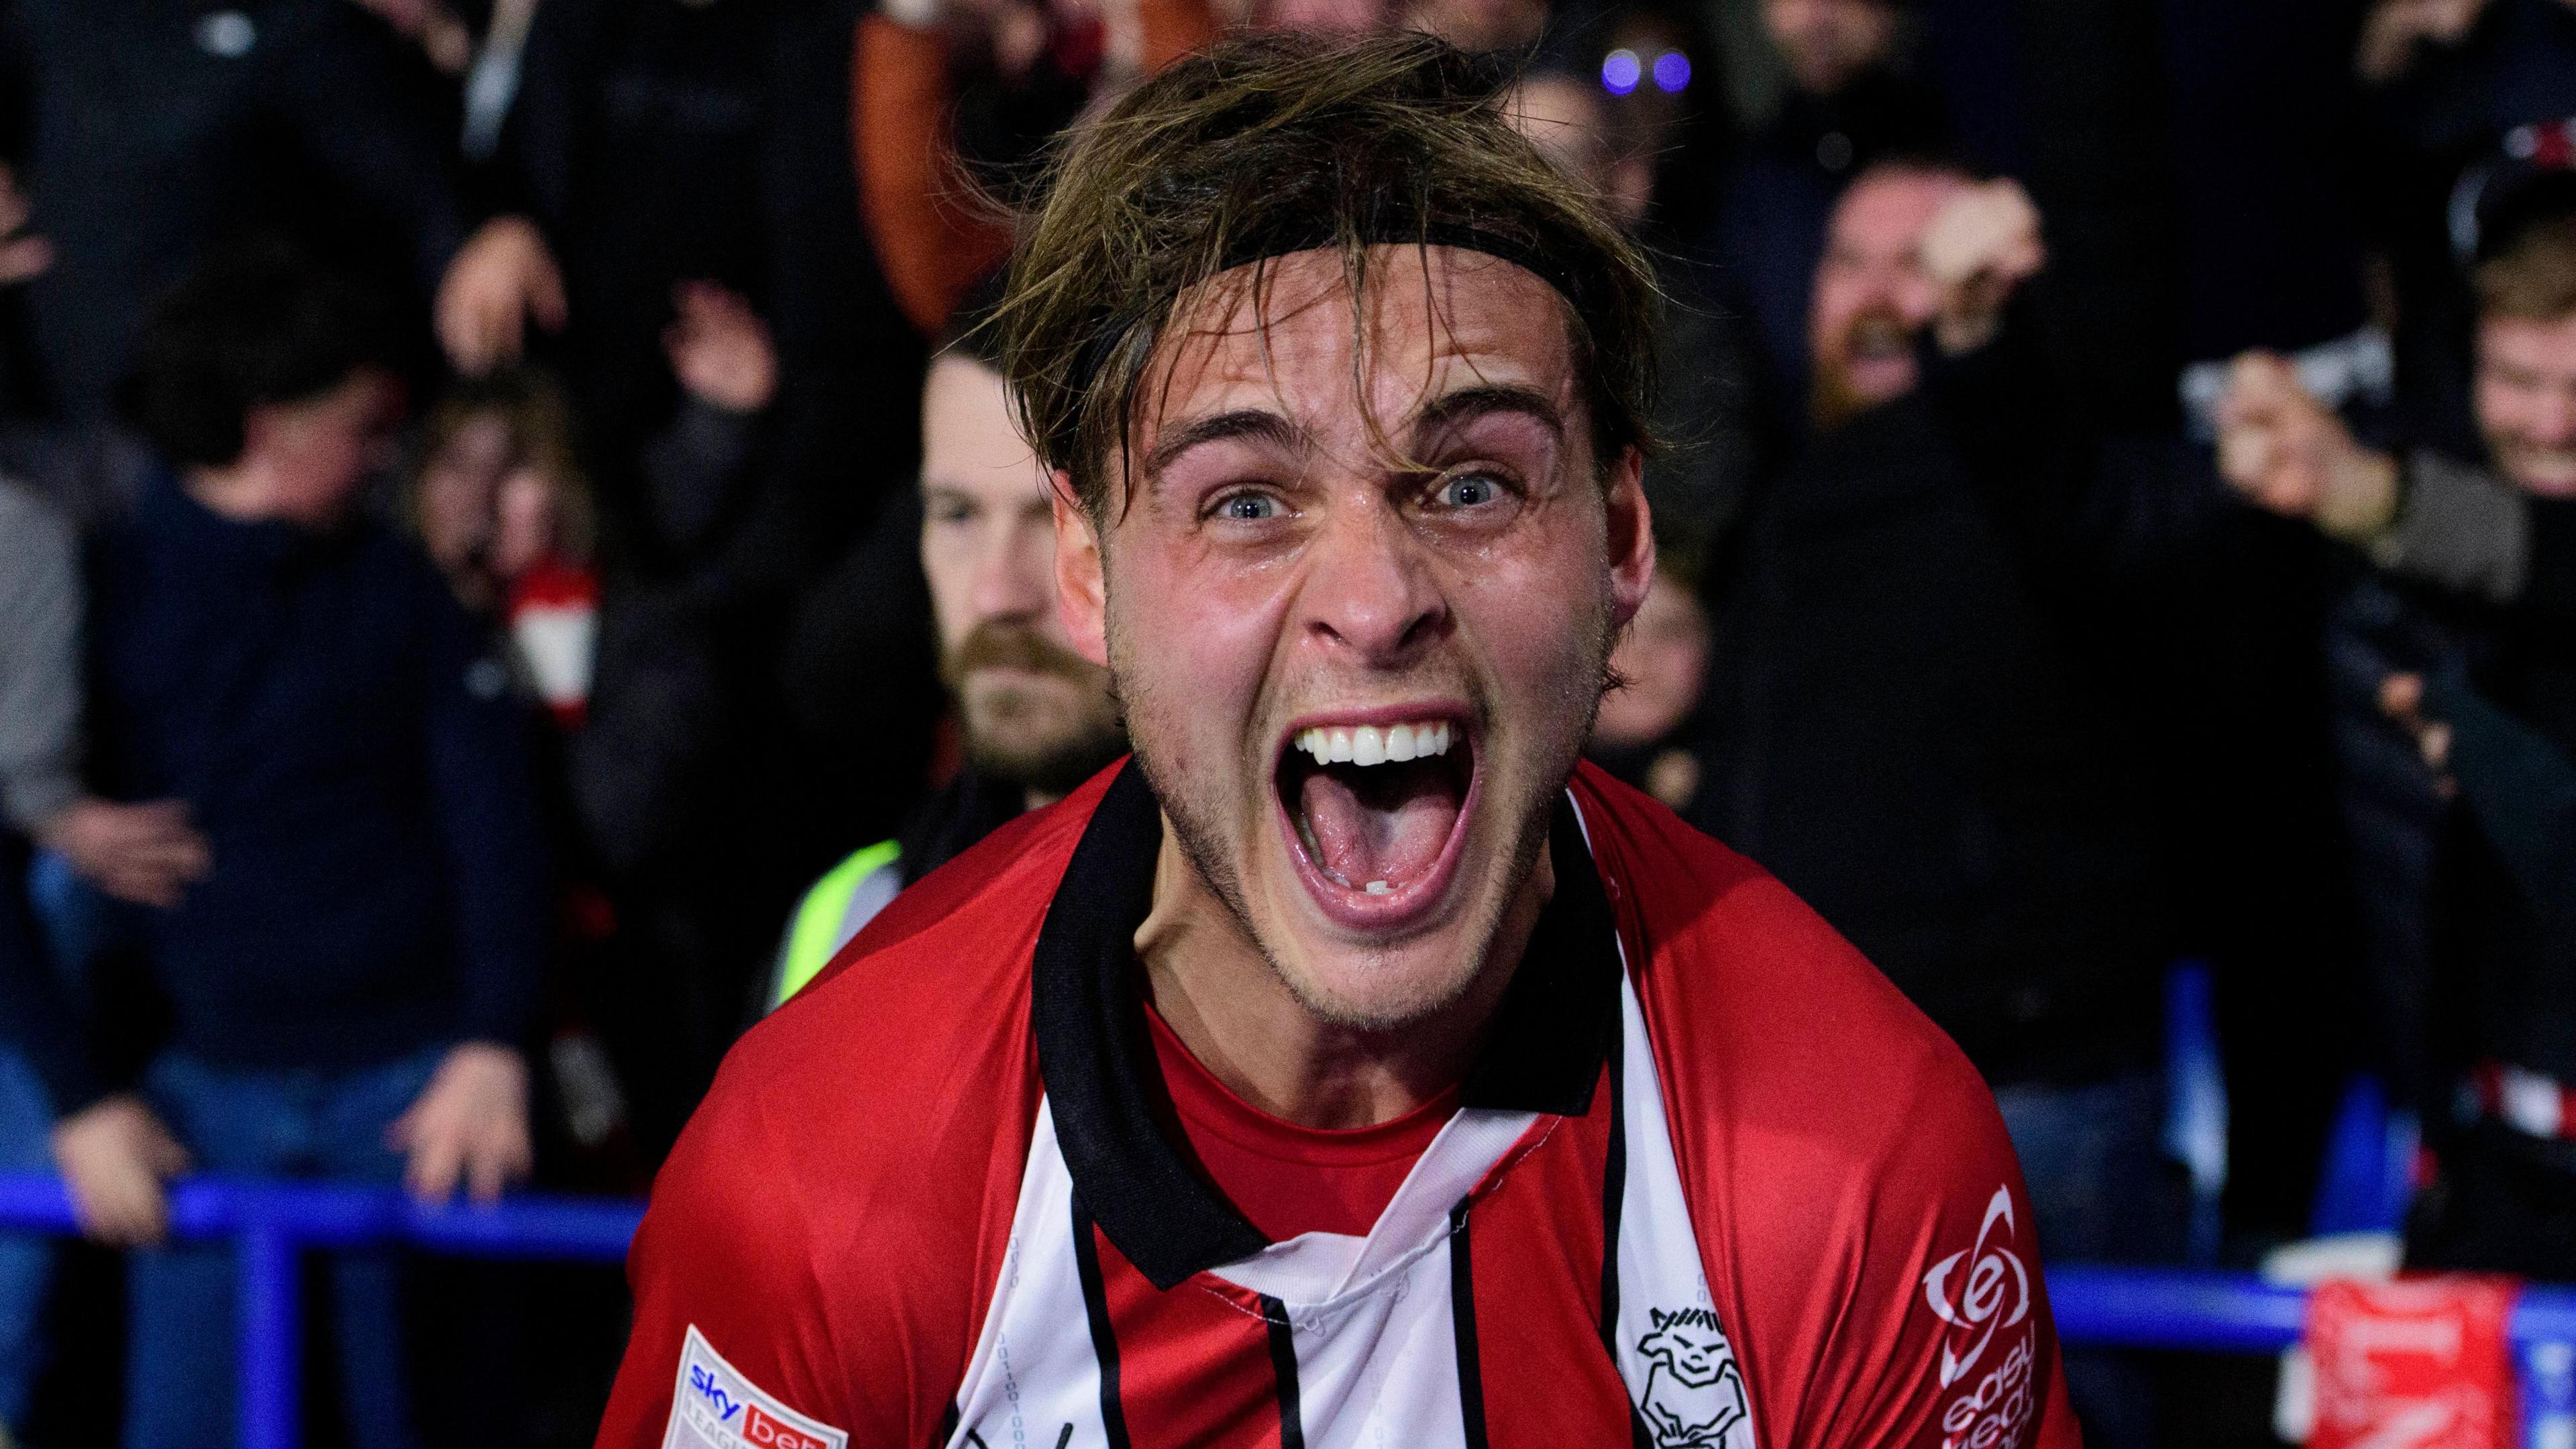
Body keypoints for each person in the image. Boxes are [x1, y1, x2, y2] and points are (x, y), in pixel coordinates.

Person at [596, 35, 2075, 1449]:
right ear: (1092, 568)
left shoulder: (1858, 1156)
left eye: (1475, 485)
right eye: (1246, 500)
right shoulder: (825, 1172)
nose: (1374, 604)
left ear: (1623, 540)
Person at [1691, 158, 2181, 1446]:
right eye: (1849, 262)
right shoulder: (1784, 504)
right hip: (1806, 1106)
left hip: (2030, 1097)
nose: (1876, 296)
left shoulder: (2045, 474)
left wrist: (1993, 349)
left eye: (1923, 264)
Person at [42, 248, 547, 1449]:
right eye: (366, 425)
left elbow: (496, 821)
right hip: (191, 1108)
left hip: (409, 1106)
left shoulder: (393, 589)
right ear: (272, 425)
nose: (387, 453)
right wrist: (81, 1102)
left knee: (405, 1420)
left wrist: (493, 1040)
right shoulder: (101, 589)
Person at [2220, 199, 2576, 1277]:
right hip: (2479, 1162)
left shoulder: (2454, 531)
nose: (2549, 423)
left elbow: (2531, 552)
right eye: (2518, 380)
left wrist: (2364, 492)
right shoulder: (2403, 598)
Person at [768, 315, 1123, 1009]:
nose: (996, 595)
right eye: (957, 515)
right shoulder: (852, 924)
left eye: (1060, 522)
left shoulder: (1298, 957)